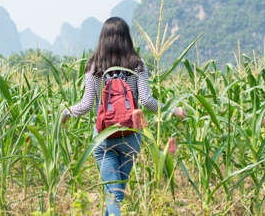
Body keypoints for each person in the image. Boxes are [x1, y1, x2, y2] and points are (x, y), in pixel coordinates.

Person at [61, 17, 186, 216]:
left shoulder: (94, 67)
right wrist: (173, 110)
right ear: (126, 38)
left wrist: (65, 113)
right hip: (130, 136)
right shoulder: (137, 65)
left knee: (113, 193)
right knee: (116, 193)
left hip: (103, 137)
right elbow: (146, 101)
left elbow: (85, 106)